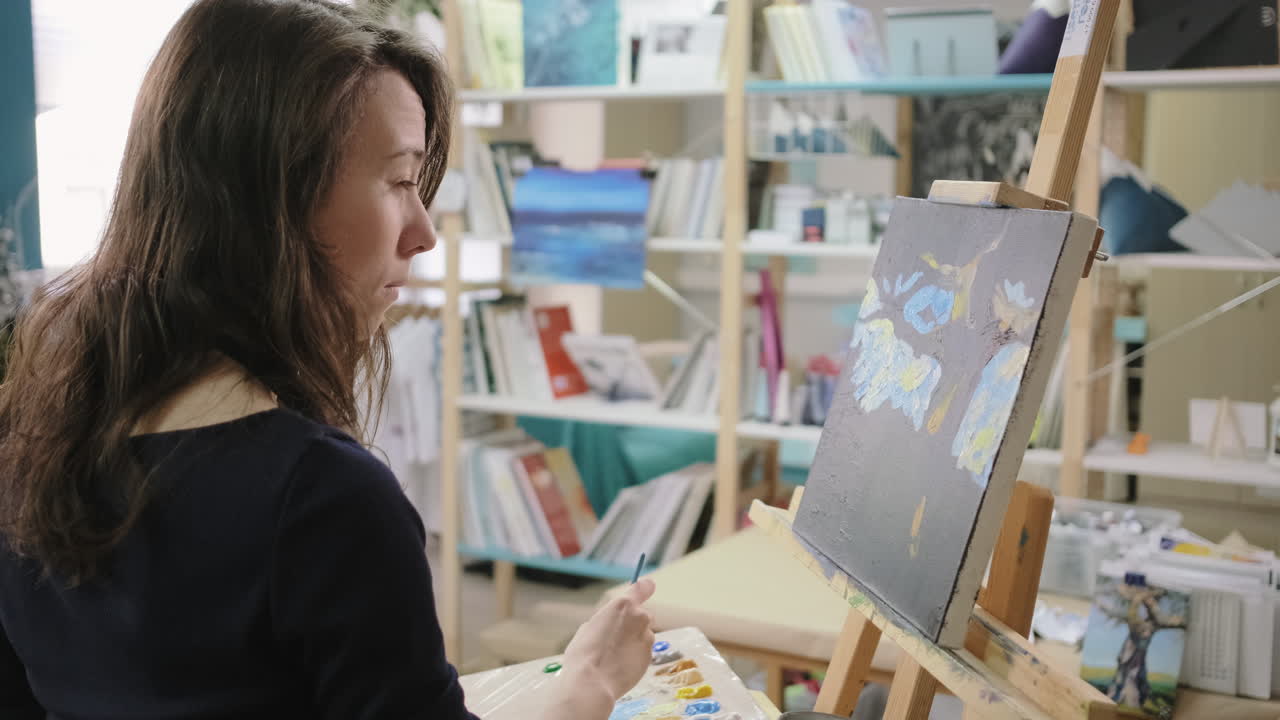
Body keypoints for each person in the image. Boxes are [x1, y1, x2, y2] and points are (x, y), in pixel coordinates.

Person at [0, 1, 656, 718]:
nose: (425, 232)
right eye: (402, 181)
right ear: (277, 199)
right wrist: (587, 683)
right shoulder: (323, 503)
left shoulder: (30, 445)